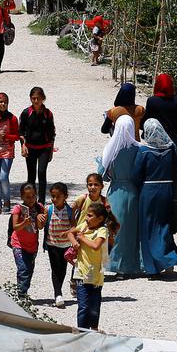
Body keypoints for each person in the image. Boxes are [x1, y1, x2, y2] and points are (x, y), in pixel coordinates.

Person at [131, 119, 177, 276]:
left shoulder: (144, 151)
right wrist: (174, 194)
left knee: (147, 228)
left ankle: (153, 267)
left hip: (148, 191)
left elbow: (135, 175)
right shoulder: (171, 149)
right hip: (167, 190)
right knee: (164, 225)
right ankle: (169, 258)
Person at [99, 115, 141, 276]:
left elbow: (103, 174)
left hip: (116, 192)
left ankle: (114, 264)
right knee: (131, 230)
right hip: (133, 192)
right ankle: (130, 264)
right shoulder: (138, 148)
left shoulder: (111, 149)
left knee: (114, 229)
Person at [71, 202, 114, 330]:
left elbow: (96, 246)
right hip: (81, 273)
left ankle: (94, 330)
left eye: (90, 216)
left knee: (94, 306)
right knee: (83, 306)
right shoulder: (83, 226)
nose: (86, 218)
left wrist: (81, 238)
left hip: (96, 275)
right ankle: (82, 332)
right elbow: (70, 232)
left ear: (100, 218)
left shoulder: (102, 230)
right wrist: (74, 241)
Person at [19, 87, 57, 197]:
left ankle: (41, 201)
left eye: (38, 98)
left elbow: (52, 133)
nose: (36, 101)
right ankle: (31, 201)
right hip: (30, 148)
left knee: (41, 173)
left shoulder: (48, 114)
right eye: (33, 98)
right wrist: (23, 146)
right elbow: (20, 131)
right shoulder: (26, 113)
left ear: (43, 99)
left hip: (44, 149)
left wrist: (51, 150)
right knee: (31, 175)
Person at [9, 183, 45, 298]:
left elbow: (40, 227)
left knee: (29, 271)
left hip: (32, 246)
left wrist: (40, 219)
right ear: (22, 197)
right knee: (23, 269)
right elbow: (15, 227)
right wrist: (25, 223)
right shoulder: (18, 209)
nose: (31, 199)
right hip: (18, 244)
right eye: (27, 197)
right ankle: (21, 295)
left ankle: (23, 291)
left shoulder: (39, 207)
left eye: (33, 196)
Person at [43, 183, 75, 309]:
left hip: (66, 245)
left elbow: (74, 227)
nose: (54, 199)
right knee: (55, 269)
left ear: (65, 197)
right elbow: (41, 226)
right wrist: (40, 220)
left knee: (63, 269)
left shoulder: (69, 211)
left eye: (57, 196)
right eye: (53, 196)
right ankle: (58, 293)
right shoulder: (48, 209)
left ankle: (58, 291)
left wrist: (69, 233)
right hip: (52, 244)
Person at [143, 73, 177, 151]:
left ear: (157, 85)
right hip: (175, 140)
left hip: (156, 141)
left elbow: (146, 121)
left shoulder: (152, 101)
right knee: (174, 162)